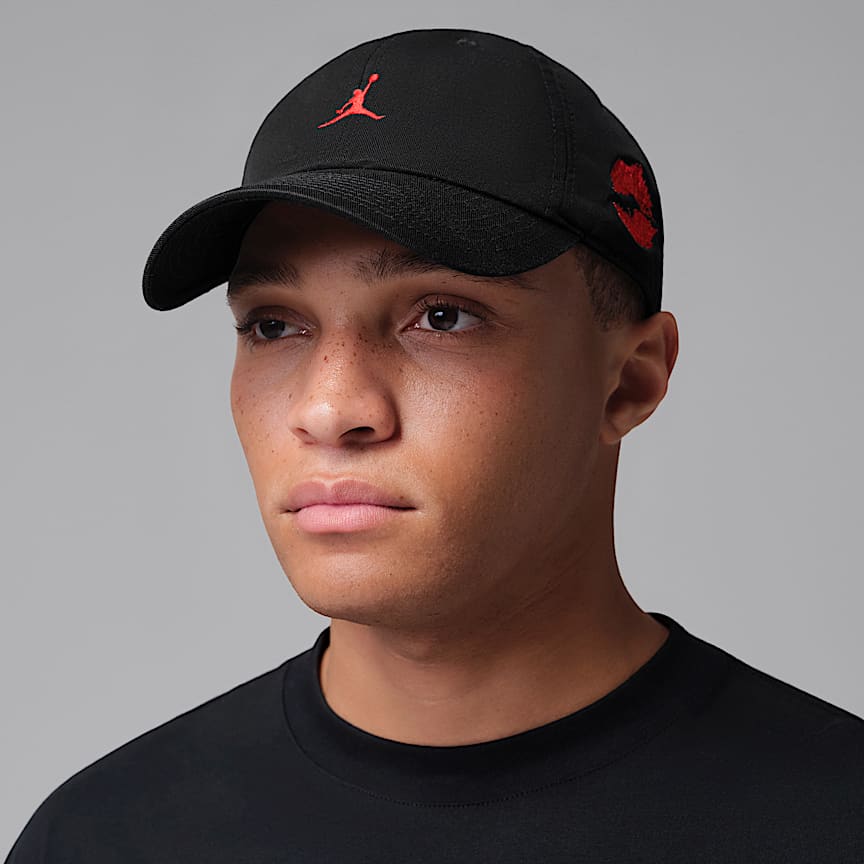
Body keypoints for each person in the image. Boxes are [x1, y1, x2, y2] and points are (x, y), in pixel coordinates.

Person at [5, 27, 862, 863]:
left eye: (443, 317)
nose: (330, 408)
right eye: (273, 325)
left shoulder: (833, 816)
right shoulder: (101, 838)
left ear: (630, 380)